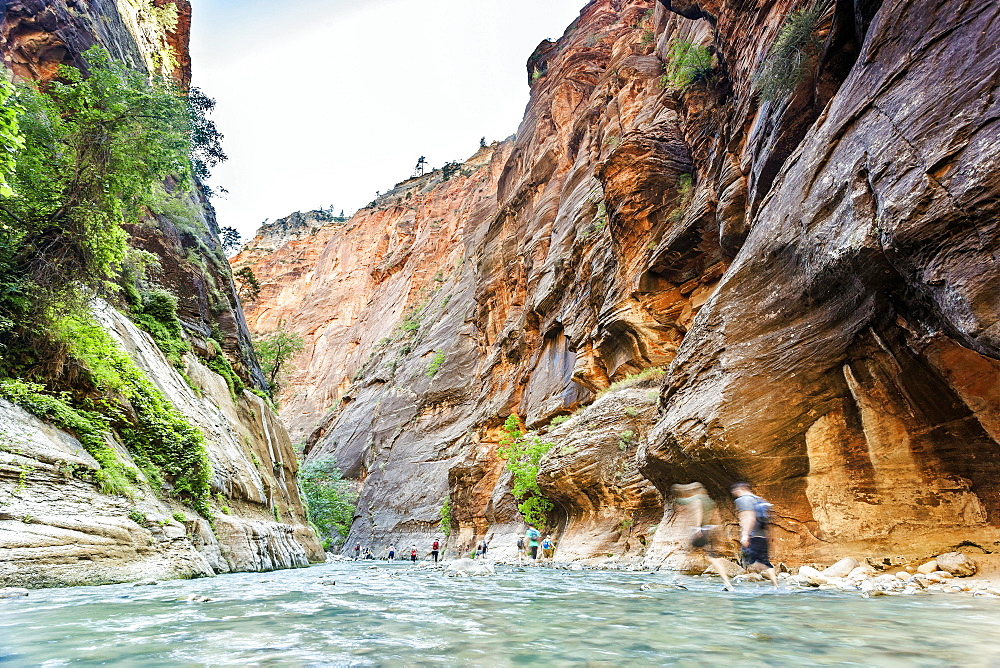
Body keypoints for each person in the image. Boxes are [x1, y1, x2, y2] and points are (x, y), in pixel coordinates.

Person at [671, 482, 734, 591]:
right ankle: (727, 583)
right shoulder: (710, 501)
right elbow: (716, 516)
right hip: (710, 530)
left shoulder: (697, 498)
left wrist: (697, 527)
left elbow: (696, 509)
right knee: (712, 558)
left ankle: (677, 577)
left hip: (700, 531)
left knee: (687, 553)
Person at [731, 481, 778, 588]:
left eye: (735, 491)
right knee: (766, 562)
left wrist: (745, 535)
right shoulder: (759, 500)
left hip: (753, 535)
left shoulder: (743, 499)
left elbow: (748, 517)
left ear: (741, 489)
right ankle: (775, 586)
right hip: (763, 535)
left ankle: (746, 585)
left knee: (749, 562)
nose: (735, 493)